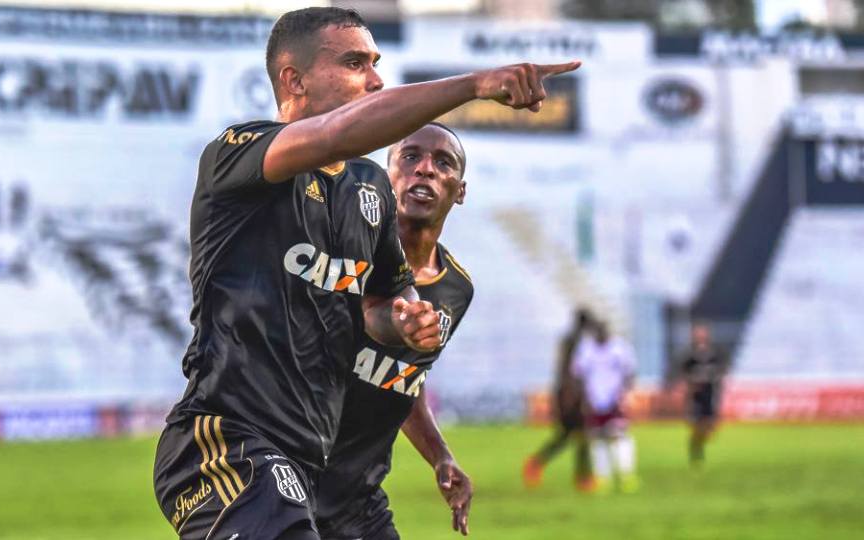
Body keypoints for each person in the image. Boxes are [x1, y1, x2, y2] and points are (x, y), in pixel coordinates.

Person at [152, 7, 580, 540]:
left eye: (376, 64)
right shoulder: (235, 155)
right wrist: (474, 85)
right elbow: (333, 134)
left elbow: (378, 303)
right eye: (355, 63)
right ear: (295, 80)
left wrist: (403, 320)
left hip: (316, 463)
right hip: (228, 443)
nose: (375, 80)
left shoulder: (369, 188)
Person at [317, 123, 474, 539]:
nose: (425, 169)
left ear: (460, 191)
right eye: (410, 156)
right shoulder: (337, 253)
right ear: (386, 179)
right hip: (286, 478)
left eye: (444, 162)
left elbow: (402, 379)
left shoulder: (457, 290)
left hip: (358, 500)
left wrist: (441, 456)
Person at [522, 308, 594, 492]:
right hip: (572, 395)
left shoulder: (570, 339)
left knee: (570, 436)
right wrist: (575, 395)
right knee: (580, 435)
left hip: (565, 392)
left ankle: (537, 463)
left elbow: (563, 368)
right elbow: (571, 369)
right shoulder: (578, 341)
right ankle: (583, 478)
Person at [571, 319, 639, 493]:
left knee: (619, 435)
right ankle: (603, 477)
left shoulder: (619, 347)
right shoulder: (586, 349)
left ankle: (626, 475)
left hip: (615, 399)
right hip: (594, 400)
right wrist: (583, 398)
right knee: (598, 438)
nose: (601, 333)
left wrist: (625, 394)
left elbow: (630, 372)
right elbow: (578, 374)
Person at [673, 322, 731, 466]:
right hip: (695, 395)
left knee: (710, 427)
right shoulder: (689, 354)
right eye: (697, 333)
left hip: (711, 393)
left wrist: (716, 377)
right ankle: (696, 453)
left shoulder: (715, 352)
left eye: (702, 333)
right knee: (696, 425)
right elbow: (682, 371)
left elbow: (723, 368)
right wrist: (691, 381)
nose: (700, 336)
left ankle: (699, 441)